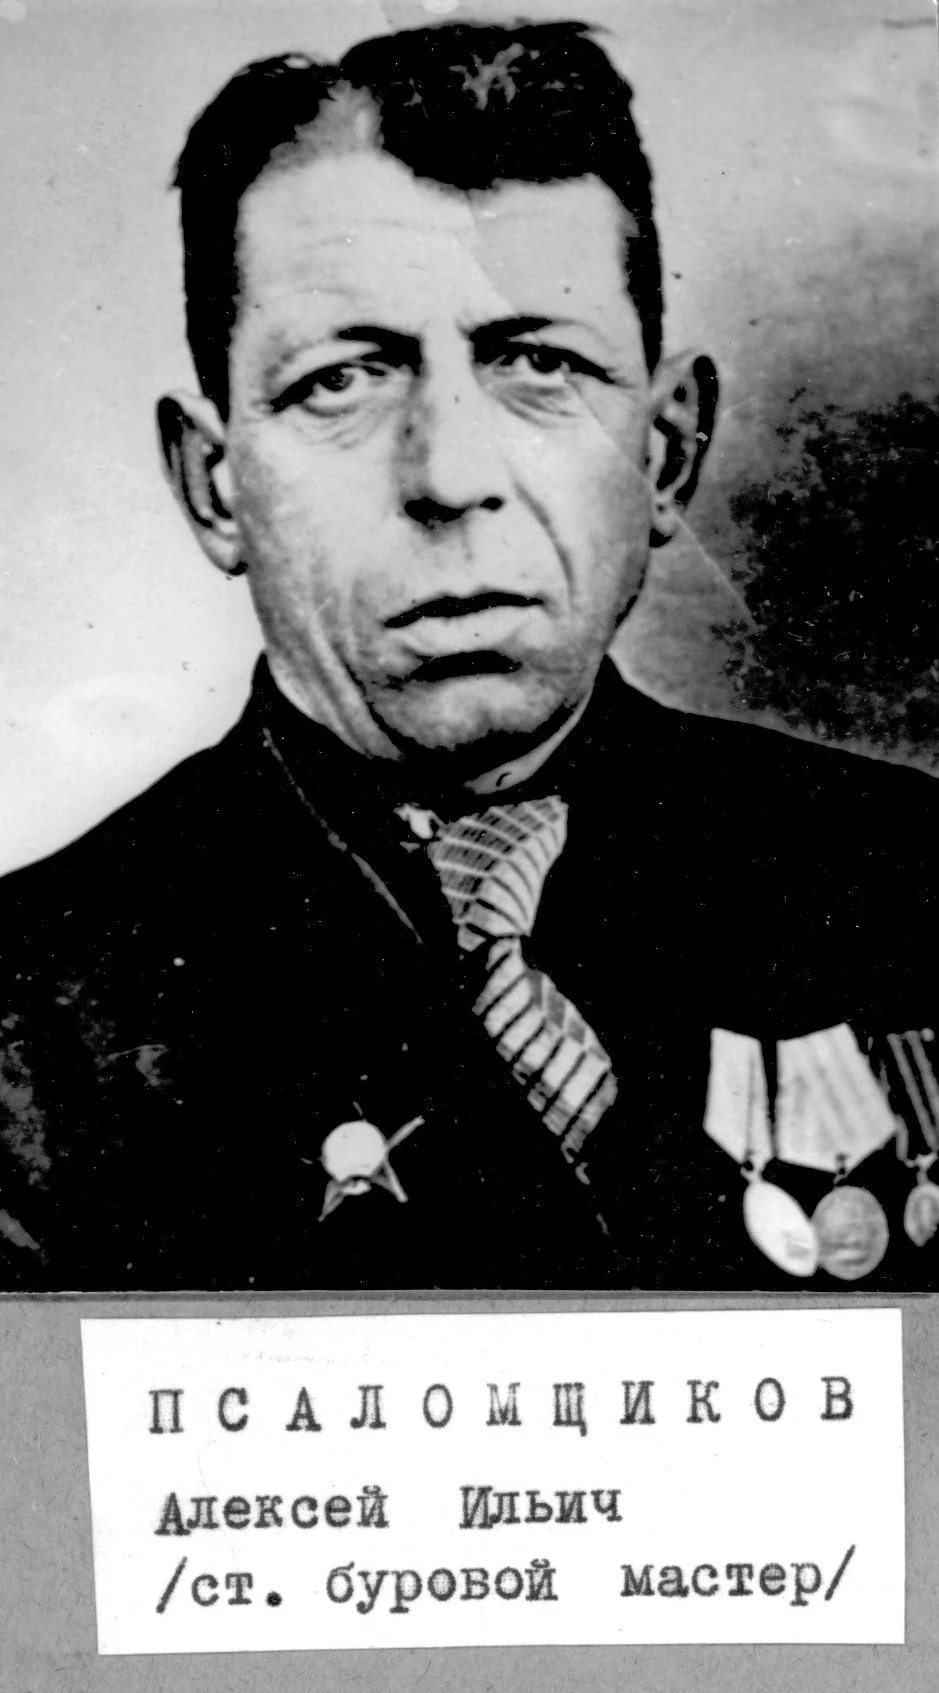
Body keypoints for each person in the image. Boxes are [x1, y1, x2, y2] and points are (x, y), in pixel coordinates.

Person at [1, 19, 937, 1292]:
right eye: (343, 381)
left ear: (665, 451)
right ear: (215, 485)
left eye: (540, 364)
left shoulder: (910, 883)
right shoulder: (26, 1019)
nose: (448, 475)